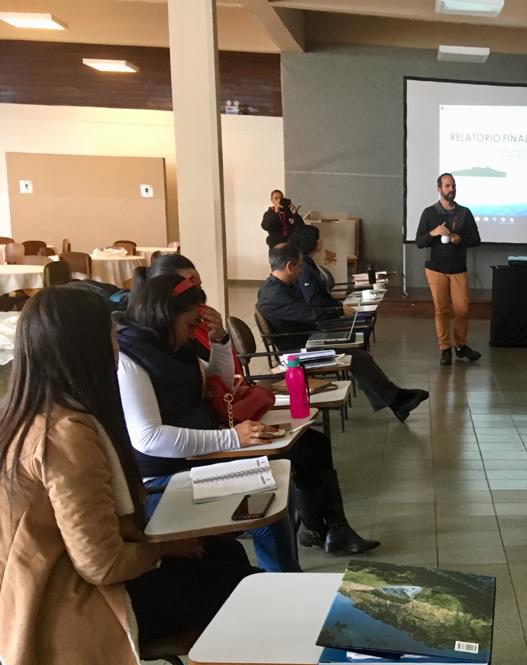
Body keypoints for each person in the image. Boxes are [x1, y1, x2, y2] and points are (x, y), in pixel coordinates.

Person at [0, 287, 268, 665]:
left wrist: (163, 548)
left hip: (54, 583)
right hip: (72, 603)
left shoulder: (31, 410)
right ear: (84, 348)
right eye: (109, 336)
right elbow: (100, 564)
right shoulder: (65, 434)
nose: (116, 348)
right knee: (246, 588)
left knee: (227, 552)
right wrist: (160, 550)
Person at [117, 274, 379, 562]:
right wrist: (232, 438)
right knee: (269, 497)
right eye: (191, 324)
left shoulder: (174, 346)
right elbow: (148, 439)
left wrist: (219, 341)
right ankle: (284, 581)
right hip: (169, 473)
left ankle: (322, 532)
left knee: (309, 446)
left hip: (202, 452)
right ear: (166, 315)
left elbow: (221, 383)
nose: (194, 333)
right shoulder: (131, 360)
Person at [257, 243, 429, 423]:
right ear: (289, 266)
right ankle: (397, 400)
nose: (301, 271)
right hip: (297, 351)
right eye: (300, 266)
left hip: (308, 338)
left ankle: (396, 400)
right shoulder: (274, 294)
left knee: (356, 348)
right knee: (357, 356)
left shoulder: (282, 286)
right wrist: (338, 311)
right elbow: (310, 314)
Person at [414, 172, 482, 366]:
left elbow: (476, 240)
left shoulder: (464, 212)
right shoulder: (429, 212)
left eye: (453, 186)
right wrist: (433, 233)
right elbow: (419, 241)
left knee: (462, 309)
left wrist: (460, 240)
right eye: (447, 186)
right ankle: (445, 349)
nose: (451, 189)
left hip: (458, 269)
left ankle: (460, 346)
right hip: (436, 269)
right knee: (441, 310)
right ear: (439, 189)